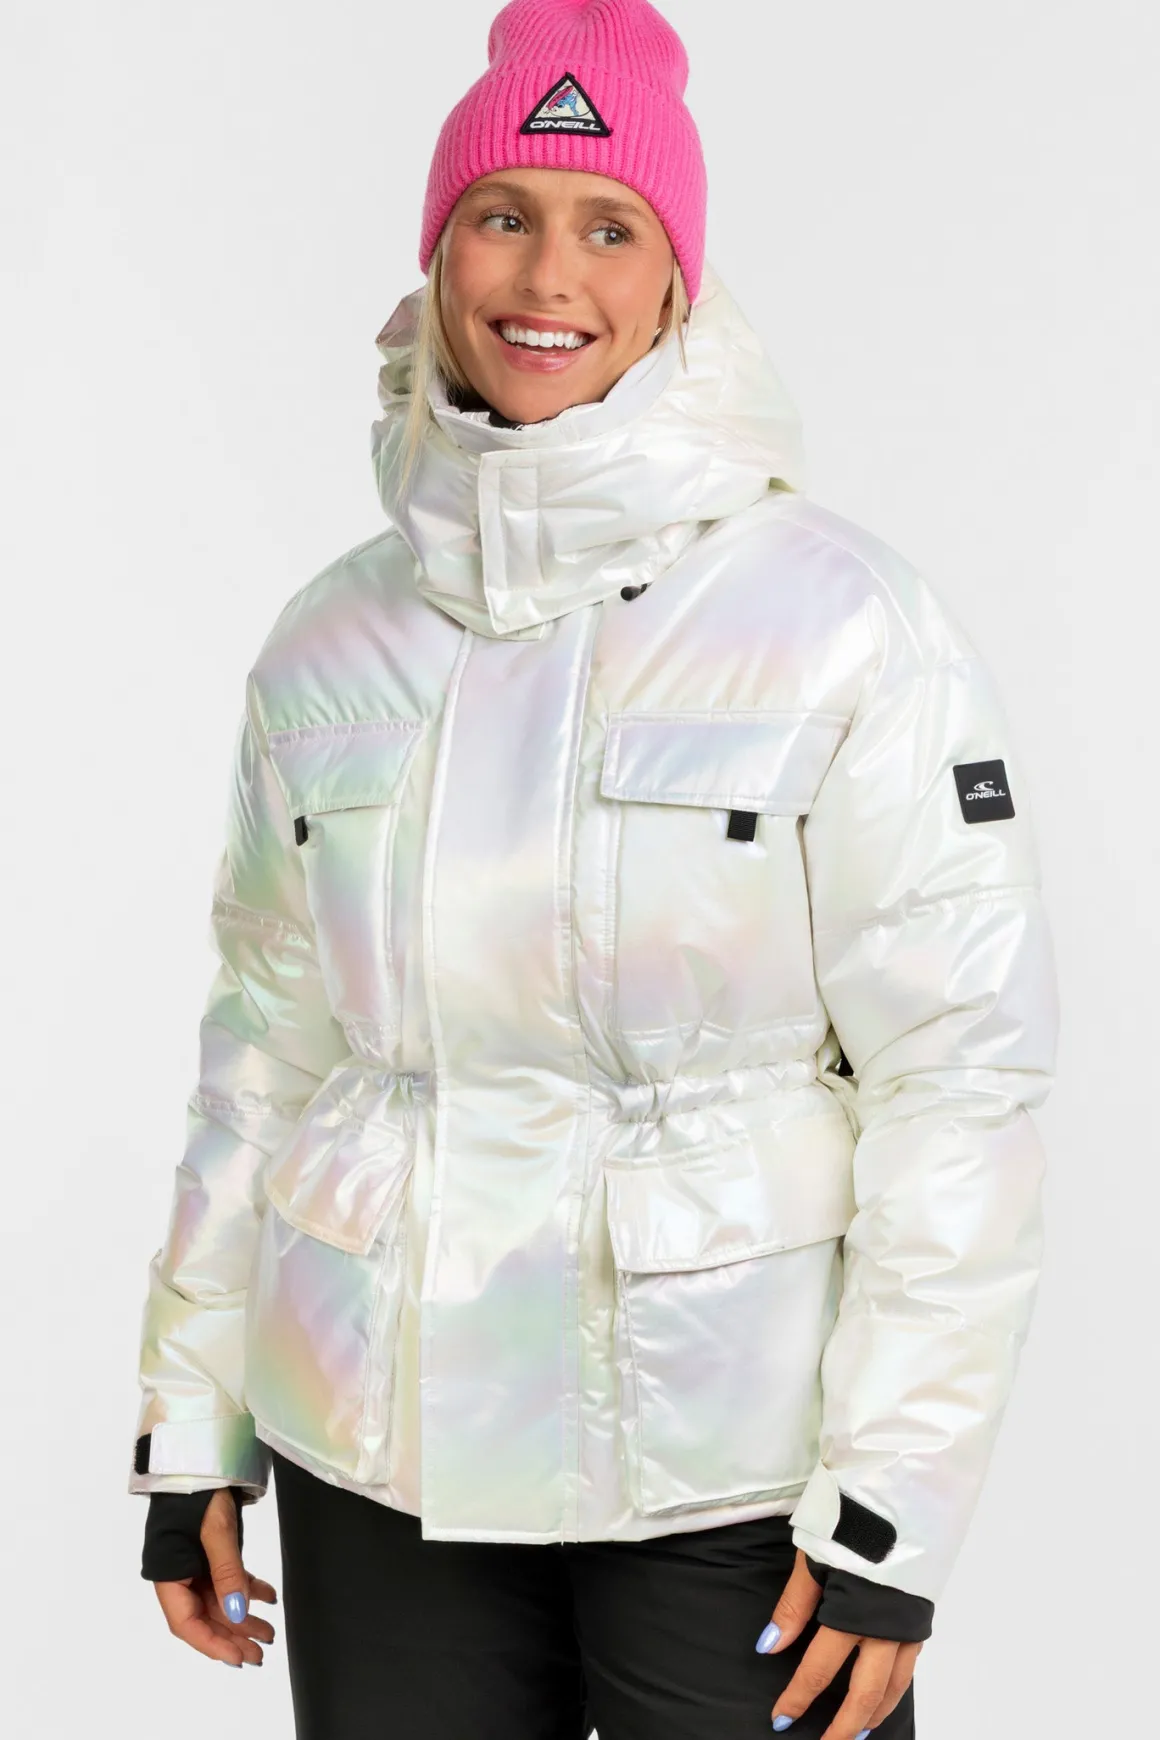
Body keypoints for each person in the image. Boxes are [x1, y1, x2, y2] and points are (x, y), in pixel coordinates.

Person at [128, 2, 1059, 1736]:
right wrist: (194, 1425)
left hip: (729, 1475)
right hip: (376, 1453)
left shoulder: (842, 626)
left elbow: (959, 1081)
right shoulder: (329, 643)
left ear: (678, 281)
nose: (548, 274)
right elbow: (263, 1053)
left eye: (610, 225)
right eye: (503, 214)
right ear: (439, 250)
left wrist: (894, 1509)